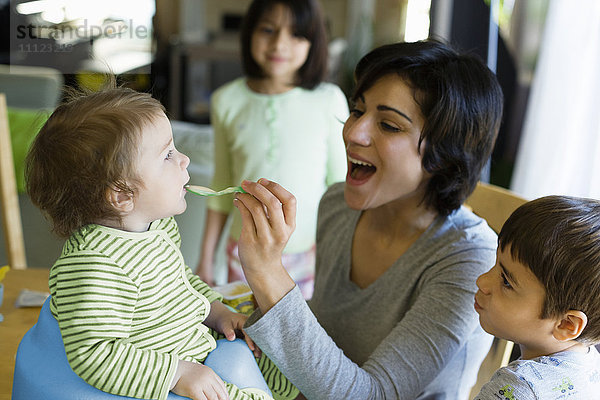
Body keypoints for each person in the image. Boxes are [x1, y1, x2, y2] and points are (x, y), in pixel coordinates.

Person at [232, 39, 505, 399]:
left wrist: (268, 273)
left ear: (442, 154)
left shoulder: (468, 259)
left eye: (389, 125)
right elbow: (330, 335)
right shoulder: (337, 205)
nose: (353, 133)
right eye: (358, 111)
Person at [25, 84, 298, 400]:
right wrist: (176, 373)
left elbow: (181, 285)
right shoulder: (95, 266)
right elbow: (94, 353)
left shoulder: (158, 227)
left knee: (284, 365)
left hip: (202, 347)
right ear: (122, 195)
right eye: (167, 155)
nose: (184, 160)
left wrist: (218, 312)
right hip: (167, 377)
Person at [196, 0, 348, 299]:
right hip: (242, 255)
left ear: (314, 41)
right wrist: (205, 260)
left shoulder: (329, 99)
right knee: (245, 338)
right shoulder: (226, 100)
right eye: (268, 29)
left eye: (296, 34)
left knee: (297, 342)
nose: (280, 43)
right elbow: (221, 187)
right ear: (249, 33)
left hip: (310, 258)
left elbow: (340, 189)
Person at [473, 196, 600, 399]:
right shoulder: (591, 367)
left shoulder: (518, 388)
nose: (482, 281)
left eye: (506, 281)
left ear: (566, 324)